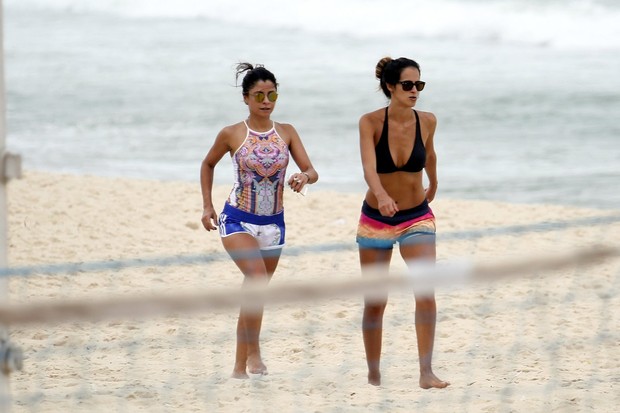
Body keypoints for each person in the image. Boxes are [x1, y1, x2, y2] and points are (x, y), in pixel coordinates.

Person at [200, 63, 318, 379]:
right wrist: (207, 206)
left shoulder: (288, 132)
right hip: (236, 219)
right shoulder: (232, 133)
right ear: (246, 98)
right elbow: (208, 164)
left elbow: (312, 171)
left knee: (257, 290)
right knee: (255, 280)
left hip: (274, 224)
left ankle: (254, 353)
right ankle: (240, 366)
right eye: (259, 95)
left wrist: (302, 176)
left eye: (272, 94)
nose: (266, 101)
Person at [356, 56, 449, 388]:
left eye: (419, 85)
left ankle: (426, 372)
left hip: (416, 217)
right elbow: (369, 167)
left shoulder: (427, 121)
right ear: (390, 87)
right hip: (376, 219)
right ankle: (374, 374)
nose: (415, 91)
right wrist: (380, 194)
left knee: (425, 291)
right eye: (408, 85)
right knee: (376, 301)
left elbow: (431, 155)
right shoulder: (370, 122)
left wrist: (434, 182)